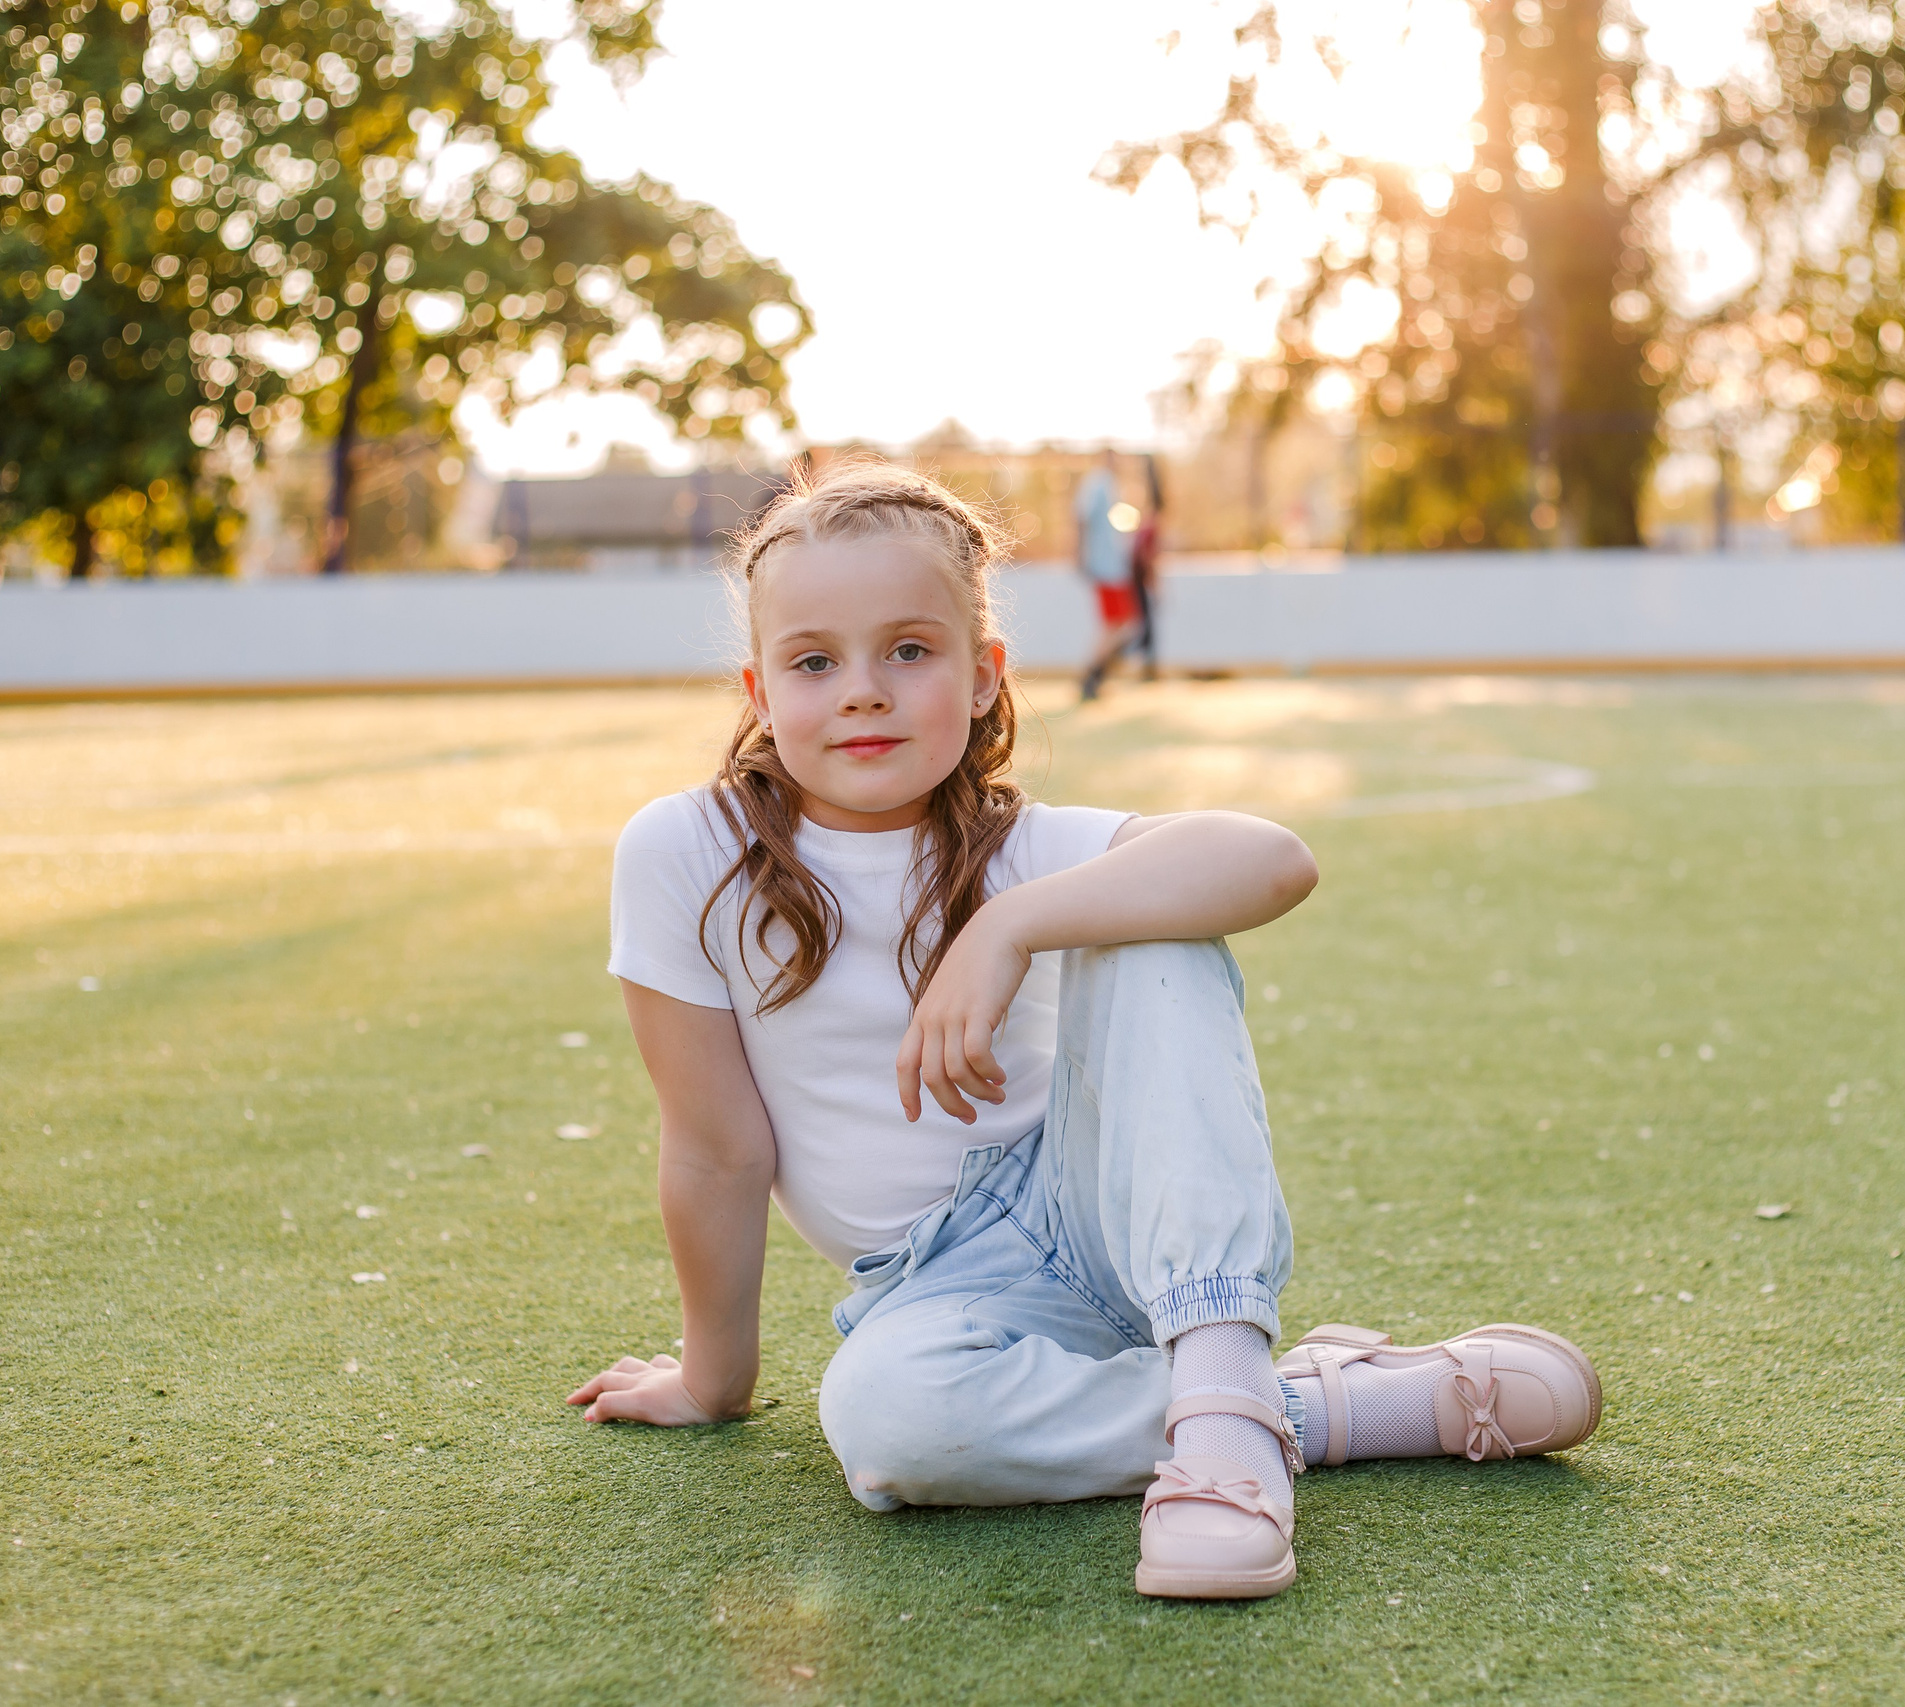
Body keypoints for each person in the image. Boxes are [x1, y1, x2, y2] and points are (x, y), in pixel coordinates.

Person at [569, 459, 1602, 1600]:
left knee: (1155, 921)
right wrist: (713, 1382)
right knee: (889, 1427)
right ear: (760, 693)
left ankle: (1217, 1431)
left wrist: (1008, 925)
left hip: (1111, 1220)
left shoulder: (1028, 847)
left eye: (910, 651)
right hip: (930, 1286)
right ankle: (1330, 1405)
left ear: (980, 678)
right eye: (814, 662)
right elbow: (718, 1149)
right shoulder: (683, 854)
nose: (862, 690)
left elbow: (1270, 858)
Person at [1072, 450, 1139, 700]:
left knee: (1123, 625)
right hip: (1106, 568)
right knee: (1114, 625)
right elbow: (1081, 516)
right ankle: (1090, 677)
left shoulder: (1112, 485)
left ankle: (1095, 676)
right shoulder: (1098, 483)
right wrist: (1080, 552)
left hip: (1117, 569)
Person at [1126, 454, 1164, 681]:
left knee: (1146, 629)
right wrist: (1155, 583)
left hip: (1137, 577)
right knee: (1143, 630)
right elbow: (1148, 557)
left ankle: (1148, 670)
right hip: (1139, 578)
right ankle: (1142, 668)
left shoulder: (1146, 520)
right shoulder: (1152, 521)